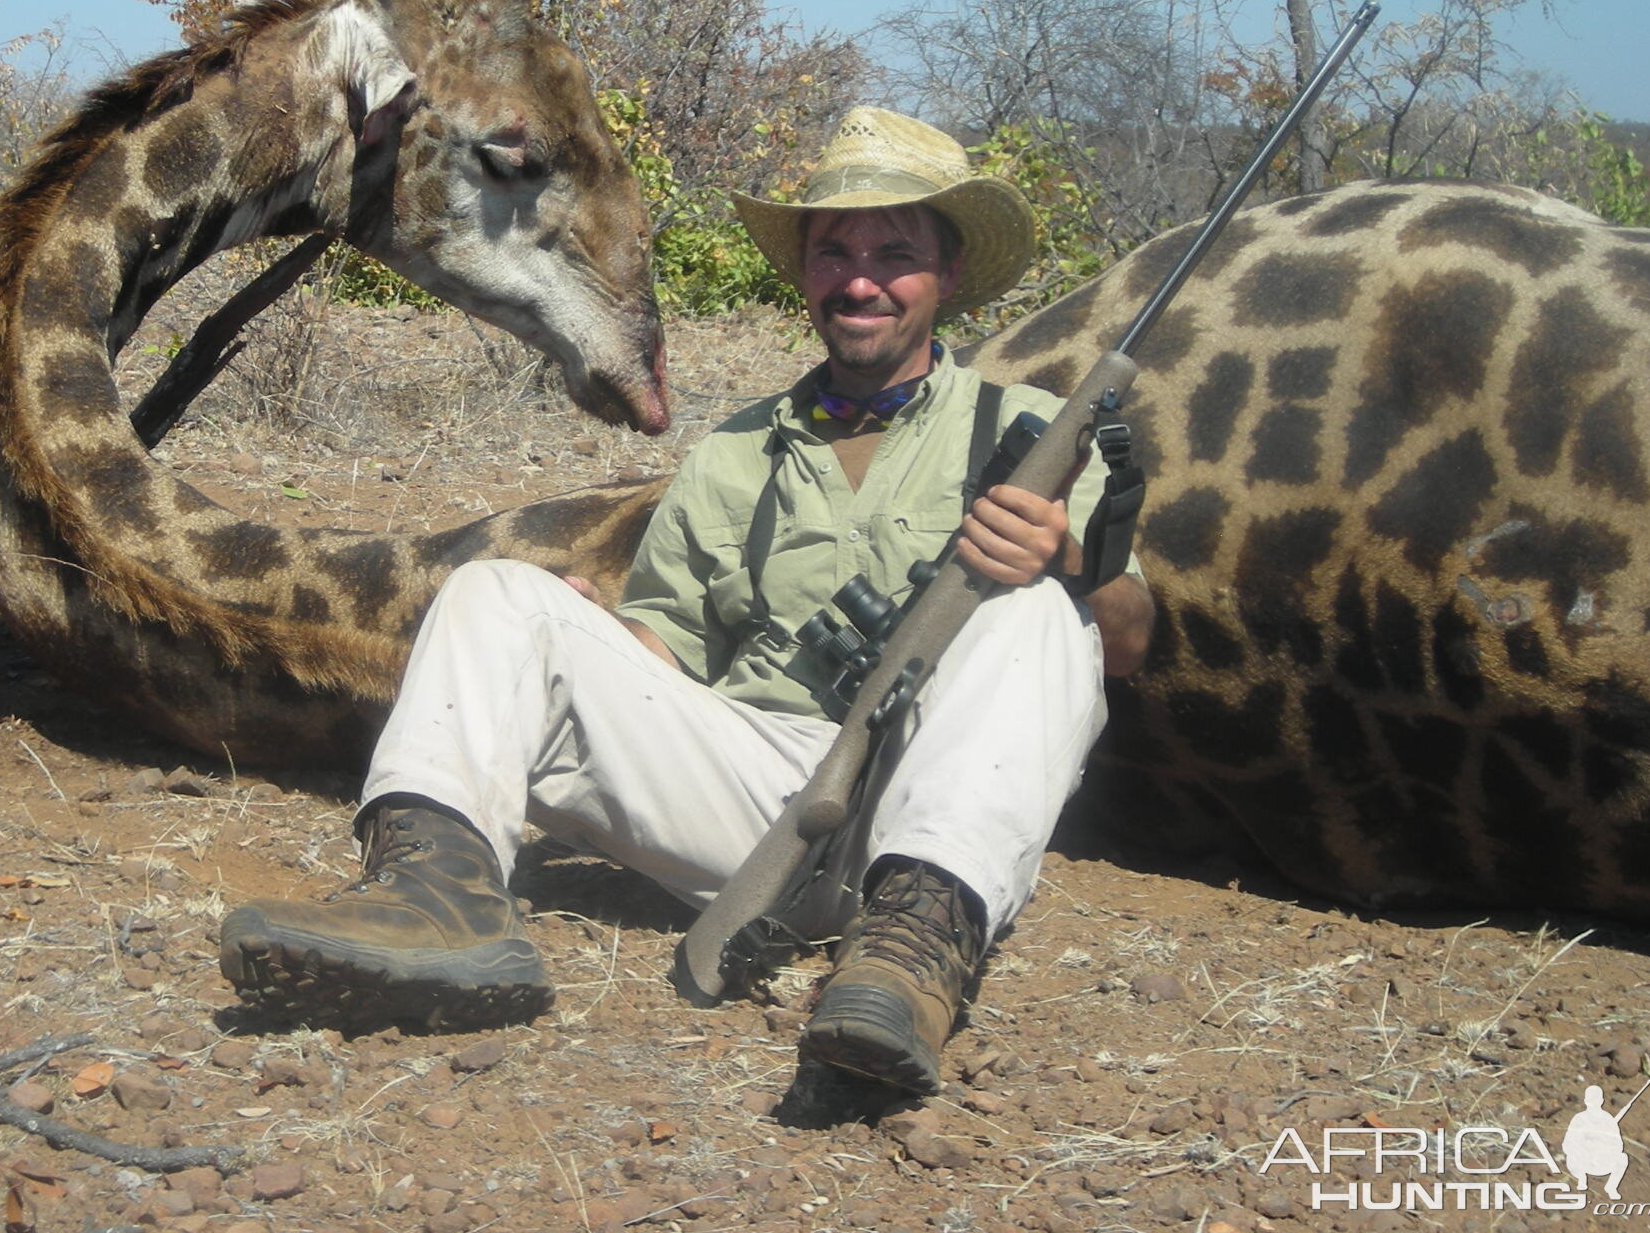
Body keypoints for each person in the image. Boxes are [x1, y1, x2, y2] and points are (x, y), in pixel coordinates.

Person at [219, 107, 1155, 1094]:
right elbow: (667, 648)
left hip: (941, 798)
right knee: (496, 591)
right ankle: (432, 903)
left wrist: (1066, 562)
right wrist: (582, 633)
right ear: (803, 274)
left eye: (894, 251)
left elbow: (1125, 643)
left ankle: (914, 951)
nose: (860, 277)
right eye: (833, 251)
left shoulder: (1033, 433)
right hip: (755, 805)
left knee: (1037, 608)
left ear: (949, 276)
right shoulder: (733, 451)